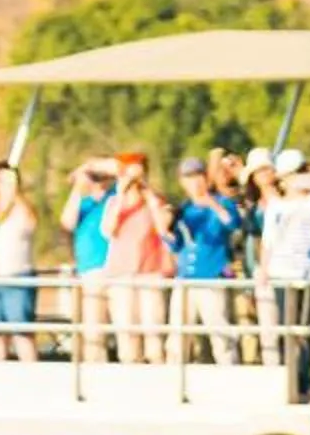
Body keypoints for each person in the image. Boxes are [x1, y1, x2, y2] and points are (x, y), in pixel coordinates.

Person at [257, 149, 310, 376]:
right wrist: (263, 270)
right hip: (283, 274)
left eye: (301, 172)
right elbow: (267, 241)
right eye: (292, 174)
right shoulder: (276, 206)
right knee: (290, 329)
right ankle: (295, 379)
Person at [168, 156, 247, 364]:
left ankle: (231, 376)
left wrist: (210, 202)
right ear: (182, 182)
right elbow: (174, 244)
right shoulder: (183, 210)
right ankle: (173, 382)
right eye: (188, 177)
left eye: (198, 176)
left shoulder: (222, 202)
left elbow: (232, 224)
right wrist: (163, 227)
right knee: (177, 337)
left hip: (212, 277)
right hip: (185, 279)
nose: (195, 182)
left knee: (221, 336)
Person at [99, 152, 176, 362]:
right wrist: (122, 196)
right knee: (126, 332)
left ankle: (157, 370)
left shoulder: (155, 201)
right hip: (121, 273)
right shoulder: (114, 203)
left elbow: (164, 228)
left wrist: (150, 198)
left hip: (150, 271)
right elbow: (107, 231)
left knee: (153, 330)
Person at [0, 160, 41, 361]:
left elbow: (30, 223)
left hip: (18, 275)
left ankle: (31, 374)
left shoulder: (23, 208)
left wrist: (15, 193)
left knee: (22, 332)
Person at [60, 155, 117, 363]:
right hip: (89, 270)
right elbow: (67, 223)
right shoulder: (83, 204)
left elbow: (126, 169)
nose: (97, 180)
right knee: (92, 331)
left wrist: (94, 165)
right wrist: (78, 187)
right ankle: (96, 371)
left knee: (124, 327)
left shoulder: (117, 195)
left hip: (114, 268)